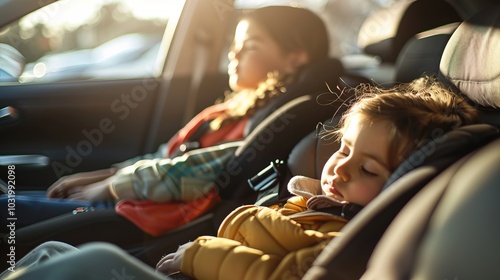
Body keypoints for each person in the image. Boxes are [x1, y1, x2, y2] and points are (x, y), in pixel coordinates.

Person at [0, 76, 480, 280]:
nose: (342, 167)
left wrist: (200, 252)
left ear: (400, 188)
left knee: (92, 260)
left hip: (197, 263)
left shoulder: (346, 233)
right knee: (56, 255)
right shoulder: (318, 207)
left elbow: (283, 275)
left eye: (369, 169)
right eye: (345, 150)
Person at [0, 6, 335, 231]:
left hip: (142, 217)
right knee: (15, 202)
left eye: (249, 46)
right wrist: (103, 174)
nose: (233, 54)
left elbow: (201, 172)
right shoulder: (233, 108)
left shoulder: (271, 121)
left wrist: (110, 186)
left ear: (295, 58)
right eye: (233, 45)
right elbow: (165, 155)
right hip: (134, 200)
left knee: (9, 212)